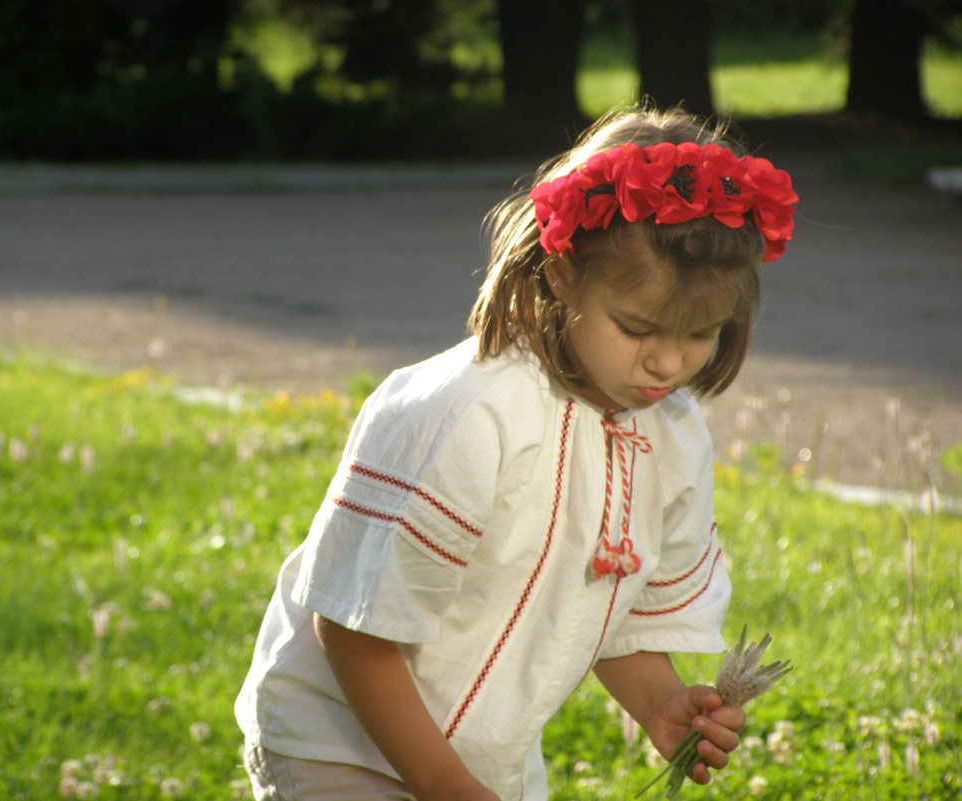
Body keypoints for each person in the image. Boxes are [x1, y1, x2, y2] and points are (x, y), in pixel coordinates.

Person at [234, 105, 798, 801]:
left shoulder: (673, 436)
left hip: (485, 761)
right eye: (636, 327)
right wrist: (444, 783)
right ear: (562, 274)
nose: (665, 361)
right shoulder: (471, 412)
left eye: (700, 334)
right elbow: (352, 630)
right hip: (338, 746)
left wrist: (659, 701)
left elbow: (627, 618)